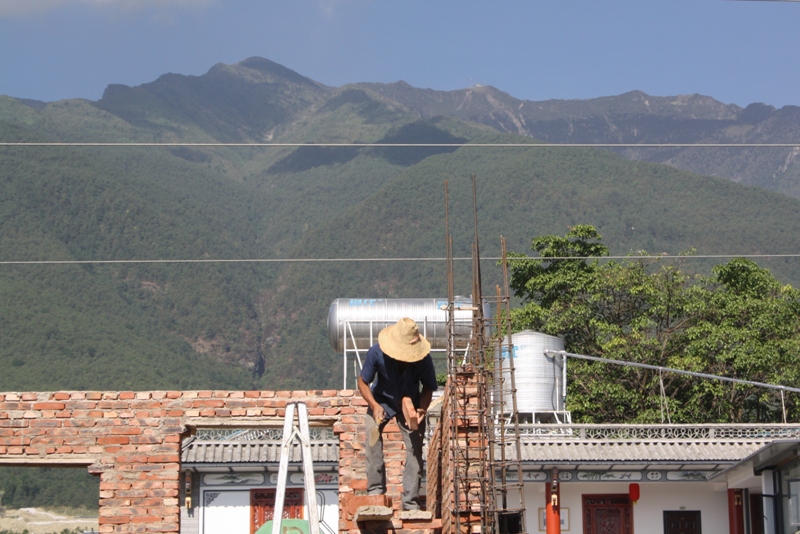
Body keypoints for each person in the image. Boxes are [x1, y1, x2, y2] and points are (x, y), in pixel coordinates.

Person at [357, 317, 438, 511]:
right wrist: (374, 405)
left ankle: (410, 503)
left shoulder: (424, 359)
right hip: (381, 401)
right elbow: (362, 382)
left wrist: (422, 409)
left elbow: (428, 387)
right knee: (372, 440)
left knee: (415, 449)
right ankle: (376, 493)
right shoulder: (376, 352)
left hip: (411, 403)